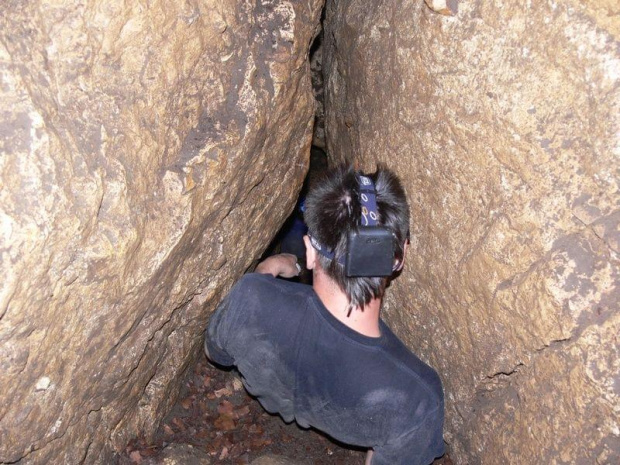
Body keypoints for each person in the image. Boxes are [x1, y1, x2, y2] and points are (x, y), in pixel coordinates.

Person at [204, 165, 445, 465]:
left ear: (310, 251)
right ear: (399, 257)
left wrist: (267, 269)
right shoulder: (417, 398)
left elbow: (216, 354)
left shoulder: (250, 298)